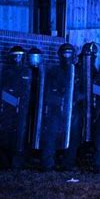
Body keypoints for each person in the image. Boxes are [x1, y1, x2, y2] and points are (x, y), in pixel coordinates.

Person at [0, 46, 33, 169]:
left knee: (20, 135)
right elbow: (0, 89)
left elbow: (29, 90)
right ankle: (4, 162)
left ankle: (17, 162)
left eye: (20, 56)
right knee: (6, 135)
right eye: (16, 56)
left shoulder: (27, 71)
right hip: (8, 108)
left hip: (23, 110)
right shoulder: (6, 71)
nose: (18, 58)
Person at [37, 43, 76, 171]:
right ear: (60, 55)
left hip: (72, 110)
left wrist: (75, 98)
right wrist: (59, 99)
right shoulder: (53, 71)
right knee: (51, 136)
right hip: (56, 109)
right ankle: (47, 165)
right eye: (64, 53)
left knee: (72, 137)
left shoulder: (78, 71)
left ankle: (68, 165)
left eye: (69, 53)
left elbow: (85, 91)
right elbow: (47, 91)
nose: (67, 56)